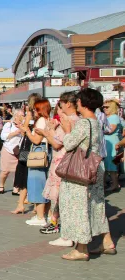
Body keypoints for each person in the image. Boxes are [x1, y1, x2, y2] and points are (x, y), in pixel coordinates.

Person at [58, 88, 116, 261]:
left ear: (82, 103)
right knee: (97, 206)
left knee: (79, 207)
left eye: (78, 101)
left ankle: (81, 248)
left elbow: (68, 144)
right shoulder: (96, 122)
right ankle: (107, 242)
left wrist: (67, 129)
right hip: (96, 168)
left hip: (81, 171)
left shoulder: (84, 123)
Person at [37, 93, 79, 242]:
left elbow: (57, 143)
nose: (58, 110)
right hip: (66, 162)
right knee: (61, 197)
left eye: (60, 106)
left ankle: (63, 230)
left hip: (62, 162)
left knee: (60, 197)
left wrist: (46, 133)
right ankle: (56, 223)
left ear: (67, 104)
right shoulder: (77, 120)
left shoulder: (69, 121)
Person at [21, 99, 52, 226]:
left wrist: (27, 131)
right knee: (45, 184)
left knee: (37, 183)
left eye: (35, 109)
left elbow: (36, 140)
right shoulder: (48, 120)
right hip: (47, 152)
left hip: (38, 154)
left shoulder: (41, 121)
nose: (33, 111)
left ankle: (40, 217)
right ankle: (48, 215)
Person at [11, 93, 42, 214]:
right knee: (35, 174)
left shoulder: (30, 114)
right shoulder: (40, 115)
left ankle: (21, 204)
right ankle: (35, 205)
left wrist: (22, 124)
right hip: (36, 146)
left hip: (27, 145)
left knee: (23, 173)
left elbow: (23, 132)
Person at [0, 109, 24, 194]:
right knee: (5, 171)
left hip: (18, 150)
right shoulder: (9, 125)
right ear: (16, 116)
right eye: (21, 115)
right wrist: (15, 133)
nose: (22, 117)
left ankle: (15, 188)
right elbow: (3, 136)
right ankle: (1, 185)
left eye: (23, 115)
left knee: (18, 171)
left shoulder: (24, 125)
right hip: (8, 149)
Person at [102, 99, 122, 193]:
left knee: (111, 164)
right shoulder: (108, 117)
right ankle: (105, 183)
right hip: (107, 142)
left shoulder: (114, 117)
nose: (104, 108)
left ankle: (114, 184)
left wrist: (99, 129)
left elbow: (110, 130)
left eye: (107, 107)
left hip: (111, 142)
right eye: (104, 107)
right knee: (107, 164)